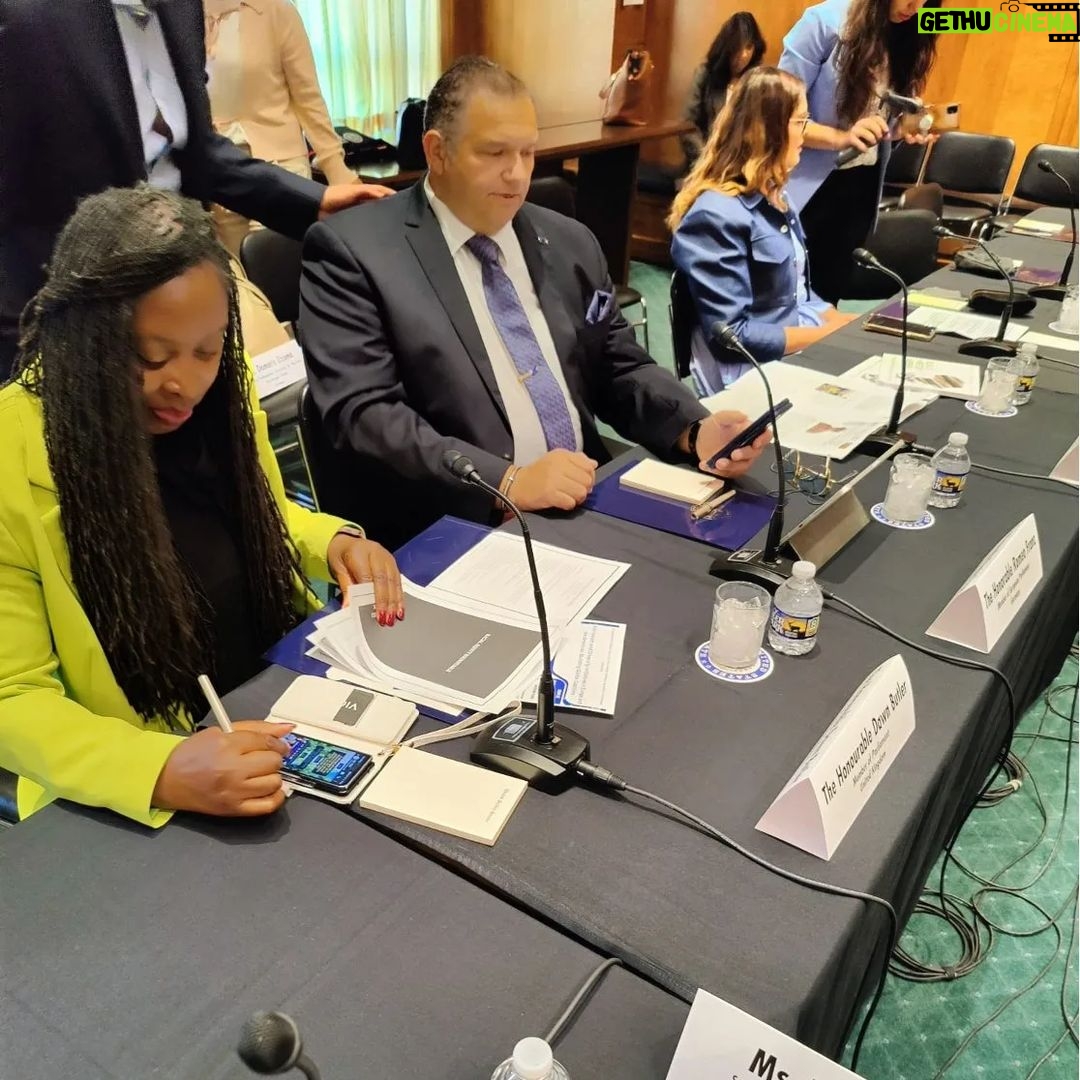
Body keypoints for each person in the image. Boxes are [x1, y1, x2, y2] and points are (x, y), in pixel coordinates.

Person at [0, 186, 403, 828]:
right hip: (136, 772)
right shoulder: (13, 454)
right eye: (149, 357)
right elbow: (12, 696)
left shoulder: (220, 401)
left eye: (208, 350)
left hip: (271, 710)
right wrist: (157, 769)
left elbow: (264, 516)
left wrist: (331, 541)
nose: (184, 384)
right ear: (82, 342)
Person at [298, 56, 770, 549]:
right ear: (437, 152)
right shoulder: (355, 252)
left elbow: (618, 366)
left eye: (528, 152)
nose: (517, 174)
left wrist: (694, 429)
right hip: (460, 525)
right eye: (495, 153)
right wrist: (506, 482)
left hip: (586, 497)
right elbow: (366, 414)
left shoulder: (569, 241)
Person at [0, 0, 393, 380]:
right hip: (69, 314)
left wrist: (315, 201)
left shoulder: (183, 8)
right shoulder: (21, 14)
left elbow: (196, 151)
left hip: (180, 281)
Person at [669, 68, 855, 391]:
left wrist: (846, 322)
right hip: (750, 374)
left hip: (789, 350)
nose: (805, 133)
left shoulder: (775, 195)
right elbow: (732, 337)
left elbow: (797, 295)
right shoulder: (714, 215)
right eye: (800, 122)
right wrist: (826, 335)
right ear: (769, 130)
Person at [779, 0, 938, 303]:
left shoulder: (906, 32)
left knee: (828, 295)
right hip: (807, 186)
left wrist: (901, 129)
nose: (915, 7)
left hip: (862, 185)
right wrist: (842, 138)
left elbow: (879, 122)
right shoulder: (822, 22)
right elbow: (778, 116)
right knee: (786, 295)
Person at [204, 0, 358, 255]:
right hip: (224, 176)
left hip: (283, 169)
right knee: (237, 273)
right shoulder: (184, 15)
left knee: (282, 267)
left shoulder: (277, 10)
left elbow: (308, 99)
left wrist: (337, 170)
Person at [682, 11, 766, 167]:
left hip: (743, 167)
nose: (743, 55)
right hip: (704, 162)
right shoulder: (705, 74)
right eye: (737, 47)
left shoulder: (759, 81)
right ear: (727, 47)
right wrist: (706, 160)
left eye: (749, 47)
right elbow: (687, 124)